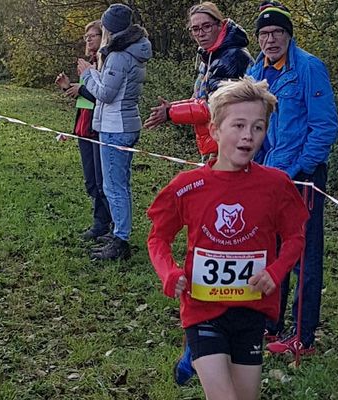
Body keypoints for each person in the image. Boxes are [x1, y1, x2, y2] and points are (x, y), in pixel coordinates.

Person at [147, 78, 309, 400]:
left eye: (258, 127)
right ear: (215, 129)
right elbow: (158, 239)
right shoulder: (187, 186)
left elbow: (295, 237)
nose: (248, 136)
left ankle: (194, 357)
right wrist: (170, 273)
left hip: (251, 311)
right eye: (238, 125)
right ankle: (197, 352)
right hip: (202, 309)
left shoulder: (276, 186)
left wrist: (275, 273)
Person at [248, 1, 338, 355]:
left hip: (303, 177)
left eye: (277, 33)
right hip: (269, 174)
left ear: (289, 35)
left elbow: (325, 126)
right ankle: (271, 325)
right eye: (264, 34)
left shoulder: (309, 68)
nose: (271, 40)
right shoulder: (257, 70)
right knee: (272, 250)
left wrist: (302, 167)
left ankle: (303, 337)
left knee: (303, 255)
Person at [77, 3, 152, 260]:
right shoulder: (132, 51)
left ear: (108, 28)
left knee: (114, 186)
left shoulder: (119, 55)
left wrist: (88, 76)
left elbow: (106, 95)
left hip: (115, 126)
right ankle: (120, 231)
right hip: (125, 123)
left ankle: (120, 240)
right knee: (121, 184)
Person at [144, 1, 253, 160]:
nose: (201, 33)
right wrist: (171, 107)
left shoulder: (231, 57)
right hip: (216, 140)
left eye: (206, 26)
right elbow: (199, 99)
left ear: (219, 24)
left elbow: (214, 107)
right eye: (195, 29)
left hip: (233, 143)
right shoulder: (209, 55)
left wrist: (170, 113)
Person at [55, 20, 113, 241]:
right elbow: (87, 98)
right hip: (83, 128)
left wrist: (82, 88)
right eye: (86, 36)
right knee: (91, 181)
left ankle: (108, 226)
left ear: (104, 37)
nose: (88, 40)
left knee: (102, 182)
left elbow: (104, 97)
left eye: (93, 36)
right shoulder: (88, 63)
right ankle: (99, 223)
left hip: (100, 130)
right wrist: (69, 87)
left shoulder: (106, 64)